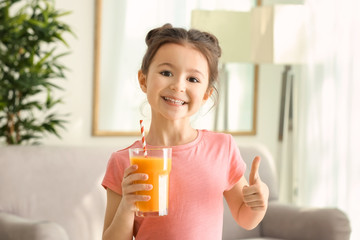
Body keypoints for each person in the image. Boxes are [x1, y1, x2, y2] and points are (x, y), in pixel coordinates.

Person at [101, 23, 269, 240]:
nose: (178, 86)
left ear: (207, 93)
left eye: (193, 79)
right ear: (143, 80)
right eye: (166, 72)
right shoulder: (124, 161)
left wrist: (259, 202)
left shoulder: (221, 148)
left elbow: (246, 218)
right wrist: (127, 206)